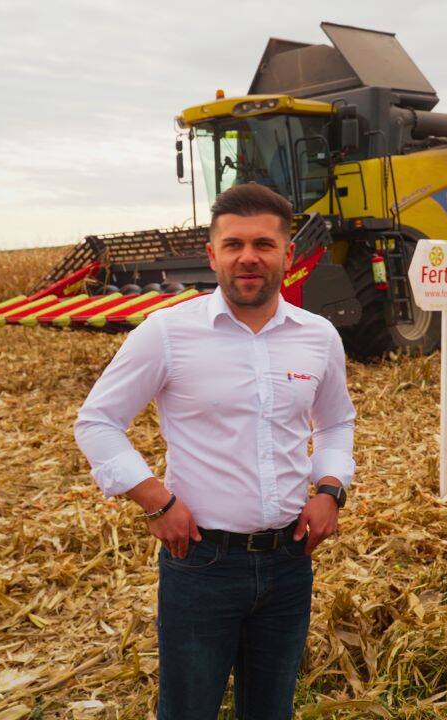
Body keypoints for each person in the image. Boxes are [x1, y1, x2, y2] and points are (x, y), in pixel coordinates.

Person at [74, 182, 356, 720]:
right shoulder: (167, 333)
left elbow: (337, 422)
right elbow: (98, 421)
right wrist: (155, 500)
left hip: (289, 562)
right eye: (234, 245)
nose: (249, 257)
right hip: (202, 563)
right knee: (189, 710)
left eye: (264, 244)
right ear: (212, 255)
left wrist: (330, 490)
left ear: (288, 253)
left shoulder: (318, 336)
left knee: (271, 710)